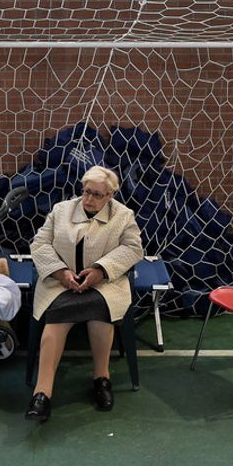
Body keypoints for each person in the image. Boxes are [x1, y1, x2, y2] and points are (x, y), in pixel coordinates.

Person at [25, 165, 144, 421]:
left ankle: (101, 379)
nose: (89, 199)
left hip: (103, 285)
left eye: (97, 194)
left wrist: (100, 271)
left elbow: (134, 248)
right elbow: (39, 244)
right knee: (56, 317)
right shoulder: (61, 211)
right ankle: (42, 393)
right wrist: (60, 273)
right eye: (86, 192)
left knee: (101, 313)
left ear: (110, 195)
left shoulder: (123, 216)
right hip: (61, 284)